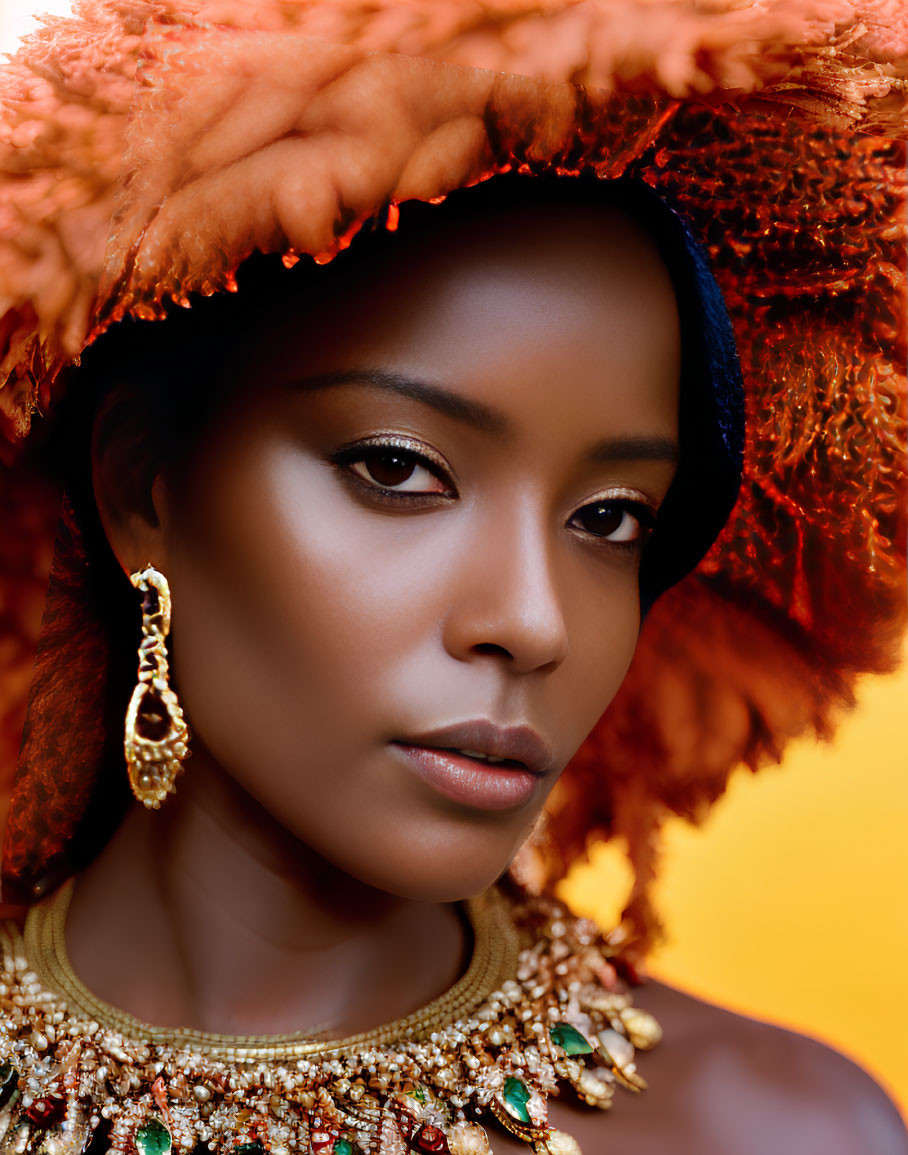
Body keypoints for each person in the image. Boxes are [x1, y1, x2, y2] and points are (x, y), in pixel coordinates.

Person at [0, 3, 905, 1154]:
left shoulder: (774, 1132)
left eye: (609, 519)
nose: (533, 622)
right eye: (397, 469)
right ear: (144, 489)